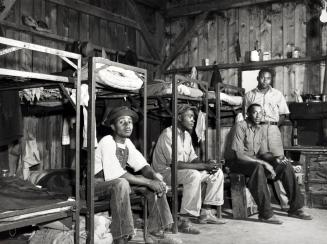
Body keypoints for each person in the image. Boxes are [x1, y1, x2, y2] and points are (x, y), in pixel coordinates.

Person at [94, 106, 182, 244]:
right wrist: (148, 181)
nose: (127, 125)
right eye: (121, 122)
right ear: (112, 126)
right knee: (123, 183)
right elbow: (117, 175)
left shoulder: (127, 143)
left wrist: (154, 177)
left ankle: (156, 232)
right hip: (96, 186)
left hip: (117, 185)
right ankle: (121, 237)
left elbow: (143, 165)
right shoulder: (107, 141)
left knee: (154, 185)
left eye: (129, 122)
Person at [229, 103, 312, 224]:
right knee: (258, 167)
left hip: (254, 162)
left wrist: (275, 160)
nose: (258, 115)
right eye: (254, 112)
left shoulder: (260, 129)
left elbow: (264, 153)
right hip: (237, 163)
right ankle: (265, 214)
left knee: (285, 165)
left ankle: (295, 208)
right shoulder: (240, 126)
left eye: (260, 113)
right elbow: (239, 155)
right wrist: (265, 164)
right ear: (248, 114)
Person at [152, 104, 226, 230]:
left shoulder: (186, 135)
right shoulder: (168, 134)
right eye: (190, 116)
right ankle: (184, 219)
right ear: (179, 117)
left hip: (181, 172)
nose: (193, 120)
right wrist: (203, 166)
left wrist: (207, 163)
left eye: (193, 117)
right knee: (194, 175)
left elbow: (192, 158)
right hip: (164, 174)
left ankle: (206, 212)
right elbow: (175, 164)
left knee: (216, 172)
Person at [243, 67, 289, 209]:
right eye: (263, 77)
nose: (265, 80)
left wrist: (273, 126)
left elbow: (283, 114)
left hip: (274, 130)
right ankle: (264, 203)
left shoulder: (277, 94)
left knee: (281, 163)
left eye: (268, 78)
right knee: (263, 162)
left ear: (271, 80)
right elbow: (246, 115)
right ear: (258, 78)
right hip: (258, 130)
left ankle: (285, 203)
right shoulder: (249, 95)